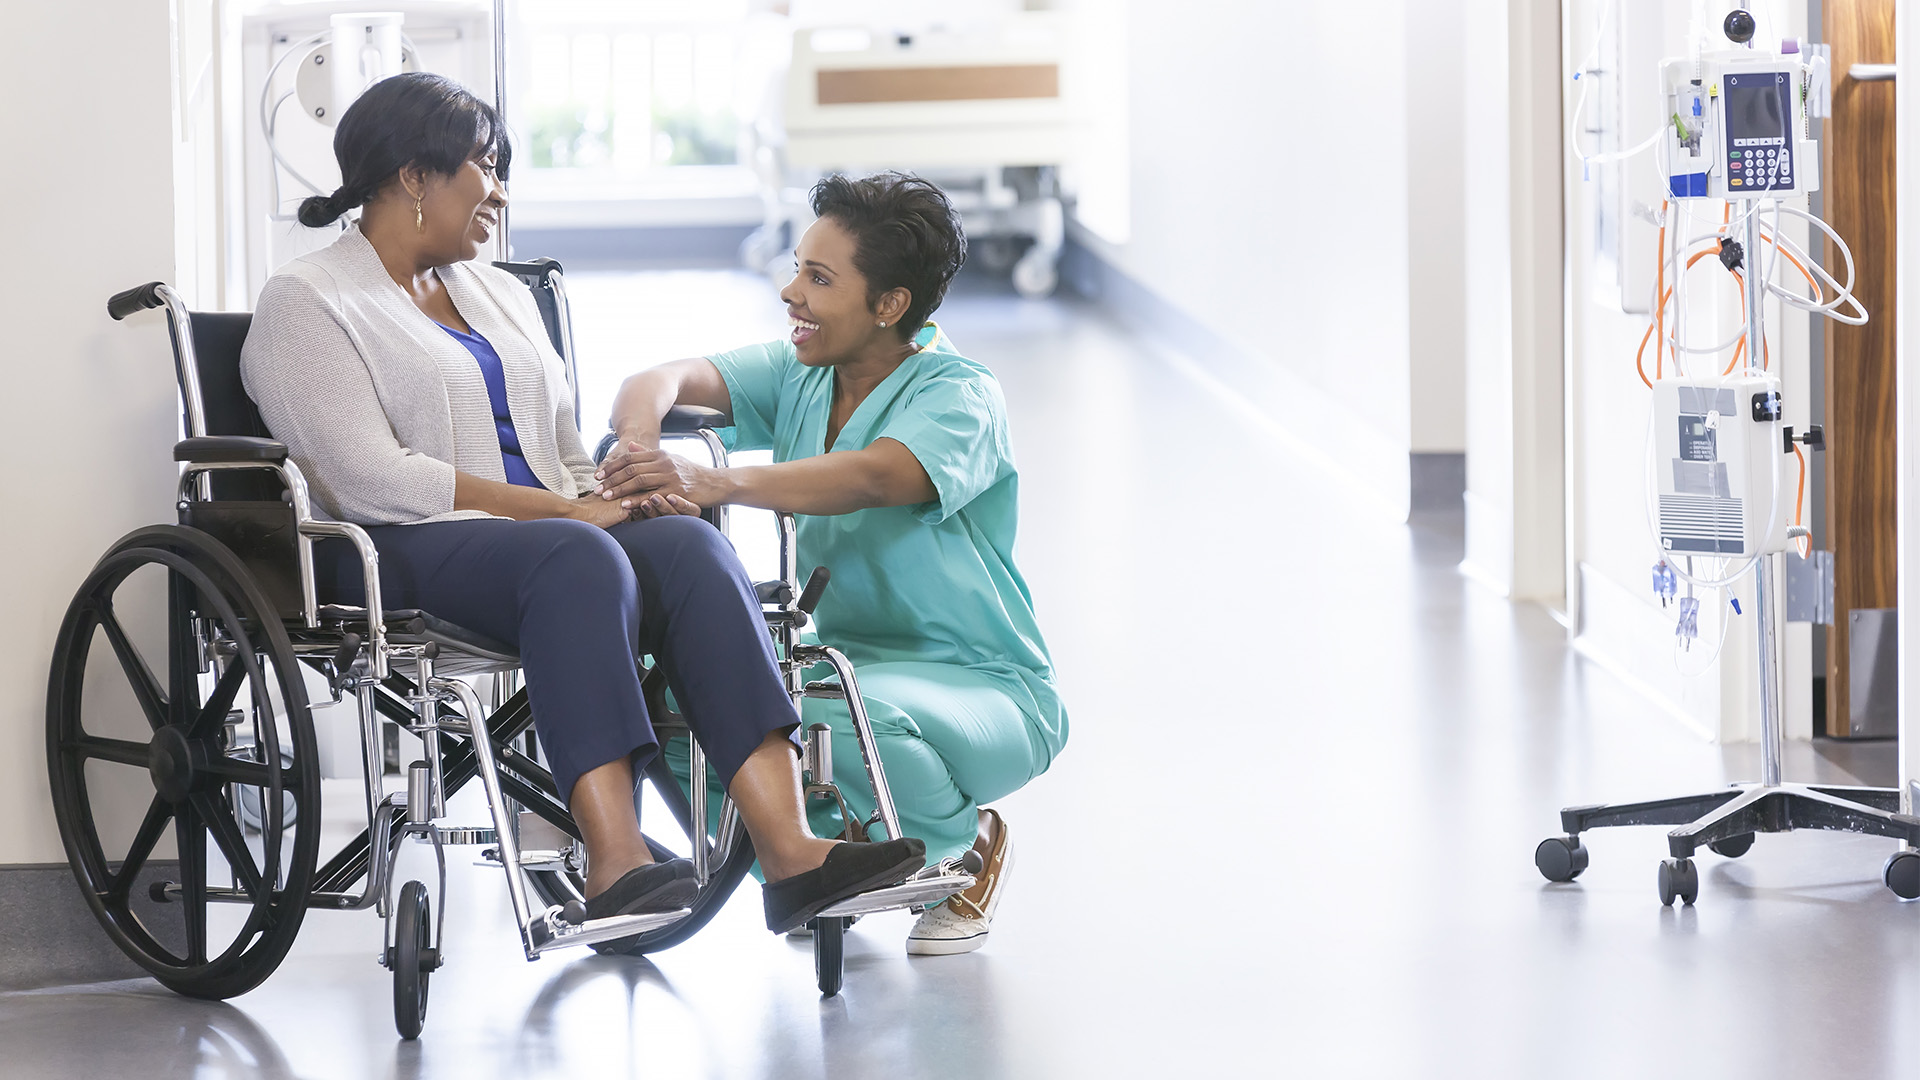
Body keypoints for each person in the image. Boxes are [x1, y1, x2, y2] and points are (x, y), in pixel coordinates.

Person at [238, 73, 923, 945]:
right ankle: (614, 862)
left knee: (685, 545)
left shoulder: (496, 292)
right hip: (391, 546)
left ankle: (791, 855)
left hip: (546, 541)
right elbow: (369, 476)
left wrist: (618, 493)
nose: (499, 193)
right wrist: (565, 517)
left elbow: (560, 443)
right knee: (579, 555)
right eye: (485, 169)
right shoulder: (307, 302)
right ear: (414, 176)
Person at [595, 172, 1067, 956]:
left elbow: (877, 476)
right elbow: (658, 379)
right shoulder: (802, 370)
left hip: (981, 681)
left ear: (889, 305)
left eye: (818, 278)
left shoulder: (961, 395)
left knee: (821, 714)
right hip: (842, 666)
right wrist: (639, 447)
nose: (790, 293)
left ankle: (964, 845)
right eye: (796, 269)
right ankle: (819, 865)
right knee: (671, 706)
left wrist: (713, 481)